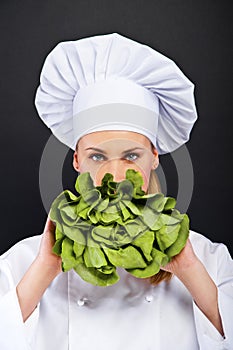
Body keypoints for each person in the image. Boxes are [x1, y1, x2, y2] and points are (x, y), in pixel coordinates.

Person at [0, 33, 232, 350]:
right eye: (98, 156)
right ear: (78, 161)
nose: (116, 176)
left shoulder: (210, 259)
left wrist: (190, 271)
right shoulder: (21, 263)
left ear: (155, 158)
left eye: (131, 156)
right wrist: (44, 269)